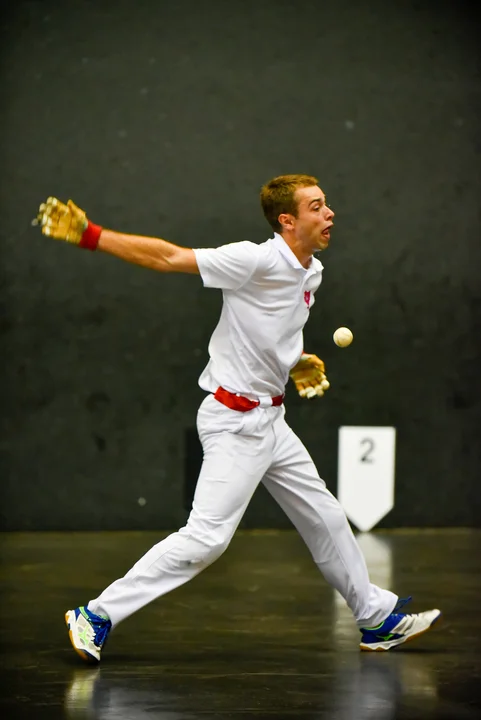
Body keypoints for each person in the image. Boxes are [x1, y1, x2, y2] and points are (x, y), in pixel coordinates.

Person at [33, 174, 441, 663]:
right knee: (207, 539)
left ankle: (375, 618)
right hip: (234, 421)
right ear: (287, 220)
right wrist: (91, 234)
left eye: (326, 204)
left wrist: (294, 362)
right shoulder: (254, 260)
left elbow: (265, 330)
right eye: (316, 206)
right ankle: (95, 615)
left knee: (326, 517)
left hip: (272, 421)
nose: (329, 213)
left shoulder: (310, 270)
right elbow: (169, 258)